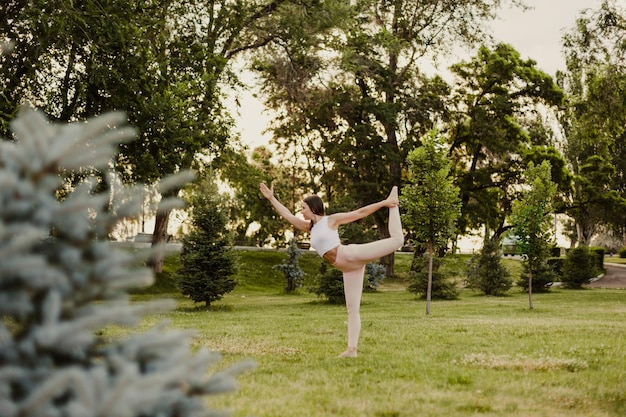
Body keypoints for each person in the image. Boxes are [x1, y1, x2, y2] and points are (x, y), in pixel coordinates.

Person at [259, 183, 404, 357]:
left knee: (397, 241)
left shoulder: (331, 220)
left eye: (303, 208)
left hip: (350, 255)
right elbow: (286, 215)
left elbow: (359, 213)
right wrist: (271, 198)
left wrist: (384, 203)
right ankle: (352, 350)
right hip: (348, 269)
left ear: (313, 208)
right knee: (352, 309)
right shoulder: (309, 227)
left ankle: (393, 203)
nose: (301, 212)